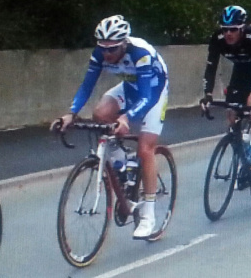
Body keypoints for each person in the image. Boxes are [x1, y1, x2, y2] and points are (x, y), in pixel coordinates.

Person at [55, 15, 169, 239]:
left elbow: (146, 96)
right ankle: (121, 160)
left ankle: (148, 214)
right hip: (129, 87)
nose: (107, 54)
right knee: (100, 114)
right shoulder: (100, 53)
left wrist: (127, 118)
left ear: (124, 43)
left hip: (154, 91)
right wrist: (71, 113)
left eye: (113, 49)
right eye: (103, 48)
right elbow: (87, 85)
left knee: (145, 148)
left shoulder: (140, 54)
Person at [201, 5, 251, 172]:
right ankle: (246, 150)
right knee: (232, 116)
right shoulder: (217, 39)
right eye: (225, 29)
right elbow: (211, 68)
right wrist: (207, 95)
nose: (228, 34)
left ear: (241, 28)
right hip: (240, 73)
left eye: (233, 29)